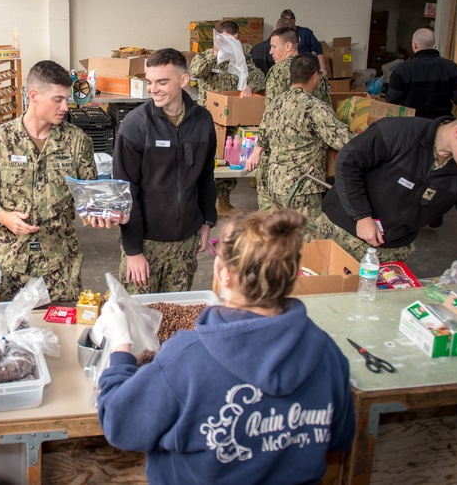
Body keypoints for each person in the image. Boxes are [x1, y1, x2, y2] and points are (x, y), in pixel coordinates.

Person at [95, 209, 356, 484]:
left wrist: (121, 344)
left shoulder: (188, 359)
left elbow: (118, 422)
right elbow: (339, 438)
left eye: (217, 248)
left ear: (226, 275)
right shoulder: (327, 352)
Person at [309, 102, 457, 262]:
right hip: (338, 233)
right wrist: (362, 216)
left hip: (391, 252)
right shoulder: (399, 133)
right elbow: (348, 162)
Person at [0, 60, 97, 302]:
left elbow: (88, 193)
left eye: (66, 99)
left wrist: (97, 212)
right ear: (34, 95)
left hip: (60, 265)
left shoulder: (77, 141)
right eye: (57, 99)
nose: (65, 107)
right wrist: (3, 216)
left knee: (64, 333)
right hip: (10, 265)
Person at [113, 48, 217, 294]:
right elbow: (125, 192)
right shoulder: (135, 126)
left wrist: (207, 221)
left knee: (175, 320)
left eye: (162, 82)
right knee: (136, 324)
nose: (153, 89)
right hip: (146, 244)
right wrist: (133, 250)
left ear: (183, 81)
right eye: (149, 82)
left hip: (185, 245)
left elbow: (206, 176)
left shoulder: (203, 121)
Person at [248, 54, 352, 220]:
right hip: (302, 188)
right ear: (316, 76)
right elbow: (343, 140)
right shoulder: (315, 108)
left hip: (275, 183)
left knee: (279, 236)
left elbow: (263, 135)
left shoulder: (275, 103)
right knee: (305, 240)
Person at [190, 20, 266, 216]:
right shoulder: (207, 56)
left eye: (233, 41)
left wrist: (249, 84)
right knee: (204, 161)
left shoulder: (243, 56)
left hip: (232, 116)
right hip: (207, 117)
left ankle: (223, 203)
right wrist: (215, 54)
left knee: (227, 160)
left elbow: (259, 77)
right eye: (225, 41)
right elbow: (195, 72)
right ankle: (198, 204)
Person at [253, 27, 332, 211]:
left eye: (274, 47)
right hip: (311, 159)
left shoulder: (278, 71)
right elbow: (328, 110)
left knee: (270, 208)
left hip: (280, 155)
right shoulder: (315, 70)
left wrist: (259, 147)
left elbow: (270, 114)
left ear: (288, 46)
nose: (270, 51)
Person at [386, 27, 457, 119]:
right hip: (441, 124)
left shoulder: (402, 70)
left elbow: (392, 100)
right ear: (434, 42)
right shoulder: (452, 68)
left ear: (414, 45)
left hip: (411, 125)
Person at [280, 9, 328, 75]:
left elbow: (318, 49)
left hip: (306, 68)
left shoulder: (305, 32)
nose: (289, 22)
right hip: (288, 69)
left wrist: (323, 68)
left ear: (294, 19)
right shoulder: (281, 35)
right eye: (286, 20)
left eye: (291, 19)